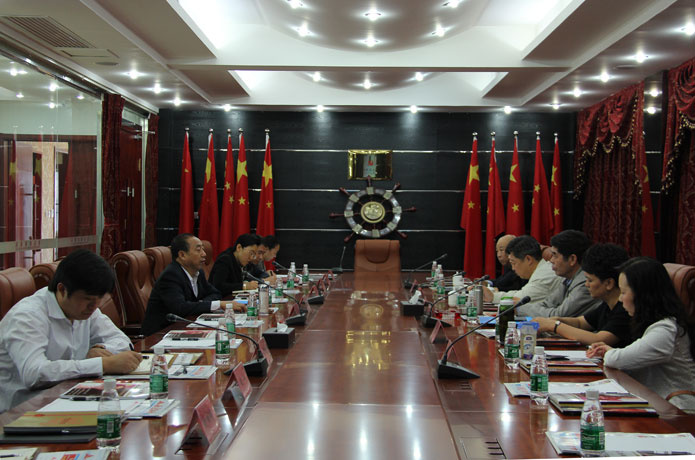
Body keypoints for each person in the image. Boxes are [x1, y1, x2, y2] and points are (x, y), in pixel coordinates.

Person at [0, 249, 142, 412]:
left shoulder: (86, 310)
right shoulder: (27, 316)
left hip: (66, 397)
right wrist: (102, 364)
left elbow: (123, 341)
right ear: (62, 289)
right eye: (88, 299)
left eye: (99, 300)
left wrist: (101, 349)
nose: (93, 306)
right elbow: (35, 373)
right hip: (20, 412)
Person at [587, 257, 695, 410]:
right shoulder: (653, 323)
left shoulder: (666, 329)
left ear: (643, 294)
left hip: (678, 411)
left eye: (623, 292)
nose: (620, 299)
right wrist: (609, 351)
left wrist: (610, 353)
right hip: (657, 403)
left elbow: (618, 359)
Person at [142, 234, 244, 336]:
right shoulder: (171, 275)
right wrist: (218, 304)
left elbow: (216, 293)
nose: (204, 254)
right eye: (198, 250)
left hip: (186, 328)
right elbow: (180, 308)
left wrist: (199, 304)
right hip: (160, 335)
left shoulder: (198, 272)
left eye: (203, 249)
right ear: (182, 255)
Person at [534, 243, 632, 347]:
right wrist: (557, 320)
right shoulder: (607, 305)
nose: (586, 284)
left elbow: (598, 339)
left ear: (609, 283)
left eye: (590, 280)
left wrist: (553, 325)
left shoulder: (625, 309)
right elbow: (580, 322)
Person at [517, 230, 601, 317]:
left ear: (572, 259)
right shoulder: (567, 278)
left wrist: (519, 309)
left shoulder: (585, 283)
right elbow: (547, 303)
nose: (551, 260)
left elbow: (558, 315)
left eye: (555, 255)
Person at [485, 235, 562, 305]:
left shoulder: (544, 276)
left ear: (528, 259)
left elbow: (521, 298)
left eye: (513, 263)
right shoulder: (541, 270)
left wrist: (493, 297)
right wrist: (493, 295)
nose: (513, 268)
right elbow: (522, 293)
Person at [209, 233, 261, 297]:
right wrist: (244, 286)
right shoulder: (224, 260)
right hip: (220, 299)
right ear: (239, 248)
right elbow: (219, 286)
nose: (251, 258)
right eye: (251, 253)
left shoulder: (242, 261)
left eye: (253, 255)